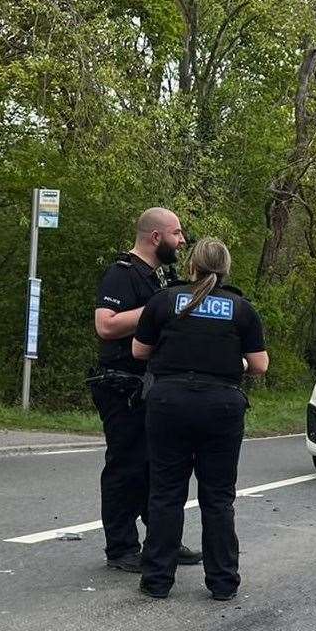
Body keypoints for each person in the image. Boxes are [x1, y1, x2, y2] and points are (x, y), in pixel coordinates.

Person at [133, 238, 268, 601]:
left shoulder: (163, 300)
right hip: (221, 407)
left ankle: (157, 581)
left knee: (165, 493)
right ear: (225, 269)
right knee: (218, 498)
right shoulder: (241, 309)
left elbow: (138, 350)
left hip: (169, 404)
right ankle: (223, 582)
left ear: (191, 266)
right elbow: (259, 366)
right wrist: (232, 362)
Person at [89, 207, 203, 572]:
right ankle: (121, 547)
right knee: (125, 465)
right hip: (120, 384)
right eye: (177, 234)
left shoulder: (158, 278)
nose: (182, 241)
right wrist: (156, 308)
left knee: (157, 465)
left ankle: (162, 540)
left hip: (151, 385)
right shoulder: (122, 274)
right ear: (157, 237)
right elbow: (105, 326)